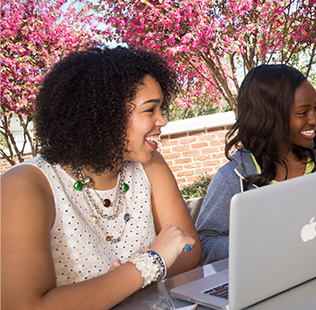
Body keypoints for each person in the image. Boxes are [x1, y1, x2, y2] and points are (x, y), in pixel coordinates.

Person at [1, 47, 200, 310]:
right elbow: (24, 306)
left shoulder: (150, 165)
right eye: (150, 110)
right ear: (106, 115)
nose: (162, 120)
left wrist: (115, 285)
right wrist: (150, 263)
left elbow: (189, 250)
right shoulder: (25, 185)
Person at [196, 64, 316, 264]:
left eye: (315, 108)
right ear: (271, 116)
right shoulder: (232, 178)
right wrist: (257, 245)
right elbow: (205, 244)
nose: (314, 120)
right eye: (302, 112)